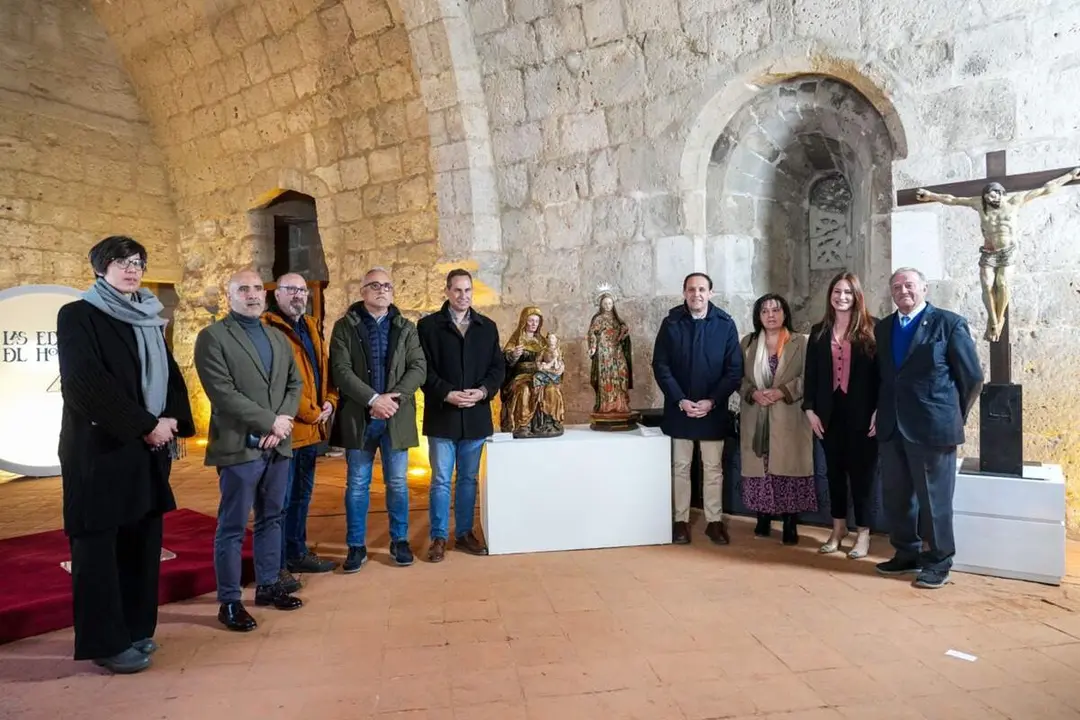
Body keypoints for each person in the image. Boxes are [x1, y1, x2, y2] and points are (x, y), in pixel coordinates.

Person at [56, 235, 194, 674]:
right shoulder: (79, 315)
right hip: (101, 451)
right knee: (98, 549)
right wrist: (145, 426)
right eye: (121, 261)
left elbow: (171, 377)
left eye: (138, 261)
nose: (132, 269)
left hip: (147, 451)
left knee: (142, 542)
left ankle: (136, 629)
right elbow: (85, 384)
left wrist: (172, 421)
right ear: (100, 267)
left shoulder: (150, 317)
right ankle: (105, 641)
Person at [194, 269, 303, 632]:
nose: (253, 294)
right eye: (244, 289)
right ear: (230, 296)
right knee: (233, 526)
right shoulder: (212, 338)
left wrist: (283, 420)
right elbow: (222, 394)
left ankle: (269, 584)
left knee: (273, 516)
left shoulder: (277, 336)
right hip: (239, 446)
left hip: (278, 443)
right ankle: (229, 601)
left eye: (258, 288)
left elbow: (294, 382)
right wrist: (269, 422)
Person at [875, 267, 983, 589]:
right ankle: (906, 553)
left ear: (924, 288)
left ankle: (938, 561)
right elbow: (887, 377)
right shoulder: (884, 328)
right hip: (893, 426)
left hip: (933, 429)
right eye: (896, 286)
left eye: (909, 285)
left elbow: (972, 378)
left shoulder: (948, 324)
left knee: (934, 501)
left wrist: (951, 415)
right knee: (897, 497)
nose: (903, 291)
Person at [329, 267, 426, 572]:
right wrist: (373, 399)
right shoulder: (345, 327)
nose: (382, 290)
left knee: (397, 482)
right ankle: (356, 546)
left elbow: (418, 367)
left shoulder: (406, 326)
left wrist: (392, 399)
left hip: (395, 415)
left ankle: (399, 541)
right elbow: (341, 371)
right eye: (374, 286)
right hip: (361, 416)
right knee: (357, 484)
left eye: (386, 286)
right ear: (363, 292)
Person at [914, 167, 1080, 342]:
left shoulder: (1015, 202)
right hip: (989, 251)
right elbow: (953, 199)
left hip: (1008, 251)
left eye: (992, 195)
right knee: (986, 284)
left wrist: (1069, 176)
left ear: (1001, 193)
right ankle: (993, 319)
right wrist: (931, 195)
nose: (989, 199)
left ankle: (998, 320)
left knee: (1002, 283)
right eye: (986, 196)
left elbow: (1045, 189)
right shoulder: (980, 204)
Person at [416, 269, 504, 562]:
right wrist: (446, 392)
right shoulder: (427, 327)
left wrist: (482, 391)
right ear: (447, 291)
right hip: (443, 415)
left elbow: (497, 369)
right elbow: (422, 369)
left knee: (467, 479)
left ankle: (464, 533)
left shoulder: (487, 327)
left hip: (476, 415)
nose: (463, 296)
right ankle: (439, 536)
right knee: (441, 479)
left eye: (467, 291)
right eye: (457, 290)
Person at [652, 272, 743, 546]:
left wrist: (712, 401)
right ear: (684, 293)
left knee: (713, 468)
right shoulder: (671, 323)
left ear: (710, 293)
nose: (696, 294)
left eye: (702, 289)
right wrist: (680, 399)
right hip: (679, 409)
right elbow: (661, 365)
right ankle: (680, 520)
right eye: (691, 290)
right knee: (680, 466)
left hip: (712, 410)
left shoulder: (725, 324)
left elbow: (734, 370)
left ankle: (714, 522)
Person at [262, 273, 338, 588]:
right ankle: (276, 565)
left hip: (313, 430)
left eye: (303, 290)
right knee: (278, 502)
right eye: (291, 289)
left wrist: (331, 401)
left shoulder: (309, 326)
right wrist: (310, 412)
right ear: (276, 294)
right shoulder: (269, 329)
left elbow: (325, 369)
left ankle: (296, 551)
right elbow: (277, 382)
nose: (298, 295)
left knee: (301, 497)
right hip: (289, 430)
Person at [803, 272, 880, 559]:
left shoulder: (874, 329)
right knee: (833, 473)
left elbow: (883, 377)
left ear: (857, 296)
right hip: (828, 414)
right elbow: (810, 375)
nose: (842, 297)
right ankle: (838, 528)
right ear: (830, 296)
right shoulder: (819, 331)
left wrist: (879, 410)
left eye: (848, 292)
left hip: (863, 414)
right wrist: (809, 409)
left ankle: (863, 533)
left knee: (863, 476)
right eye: (837, 291)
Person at [738, 293, 816, 546]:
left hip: (789, 415)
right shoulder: (747, 343)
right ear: (758, 316)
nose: (770, 315)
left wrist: (783, 391)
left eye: (776, 310)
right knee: (761, 468)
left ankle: (790, 521)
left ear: (785, 314)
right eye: (764, 311)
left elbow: (811, 377)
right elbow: (736, 377)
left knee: (788, 469)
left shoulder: (801, 342)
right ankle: (762, 516)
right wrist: (752, 393)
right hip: (757, 414)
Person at [587, 291, 633, 416]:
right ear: (601, 305)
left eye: (610, 303)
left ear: (613, 304)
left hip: (617, 350)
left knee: (622, 373)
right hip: (604, 351)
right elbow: (592, 333)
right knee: (606, 377)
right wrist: (593, 347)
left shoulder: (618, 320)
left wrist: (624, 334)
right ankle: (606, 406)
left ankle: (620, 404)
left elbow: (623, 336)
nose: (607, 305)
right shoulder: (598, 319)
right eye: (605, 303)